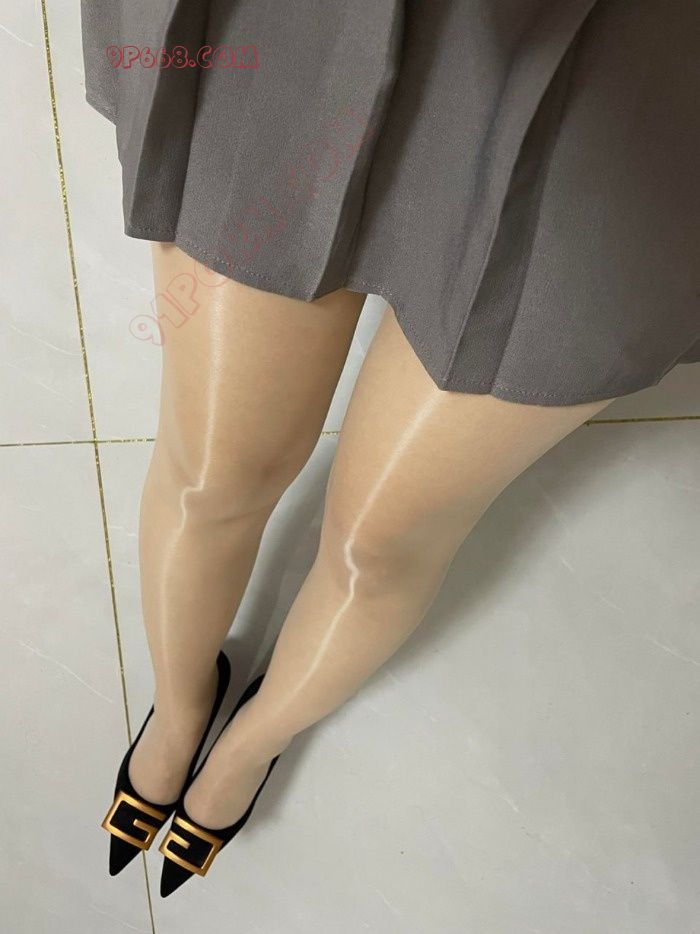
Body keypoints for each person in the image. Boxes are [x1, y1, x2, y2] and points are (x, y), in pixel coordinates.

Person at [84, 0, 700, 896]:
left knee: (379, 549)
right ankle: (178, 713)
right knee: (211, 475)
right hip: (309, 25)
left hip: (636, 63)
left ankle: (250, 745)